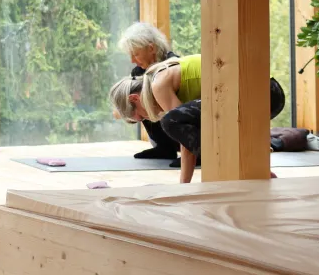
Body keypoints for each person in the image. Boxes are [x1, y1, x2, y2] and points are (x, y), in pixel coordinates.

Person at [109, 56, 285, 183]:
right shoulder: (162, 76)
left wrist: (183, 186)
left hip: (261, 92)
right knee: (204, 126)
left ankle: (228, 167)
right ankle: (258, 172)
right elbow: (189, 141)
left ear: (134, 98)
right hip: (266, 94)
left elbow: (185, 142)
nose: (147, 118)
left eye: (141, 116)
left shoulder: (158, 84)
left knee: (169, 121)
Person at [118, 22, 179, 163]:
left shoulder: (173, 65)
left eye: (136, 54)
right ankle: (163, 147)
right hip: (164, 135)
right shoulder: (138, 72)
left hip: (184, 133)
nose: (132, 60)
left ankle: (195, 151)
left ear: (151, 48)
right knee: (138, 96)